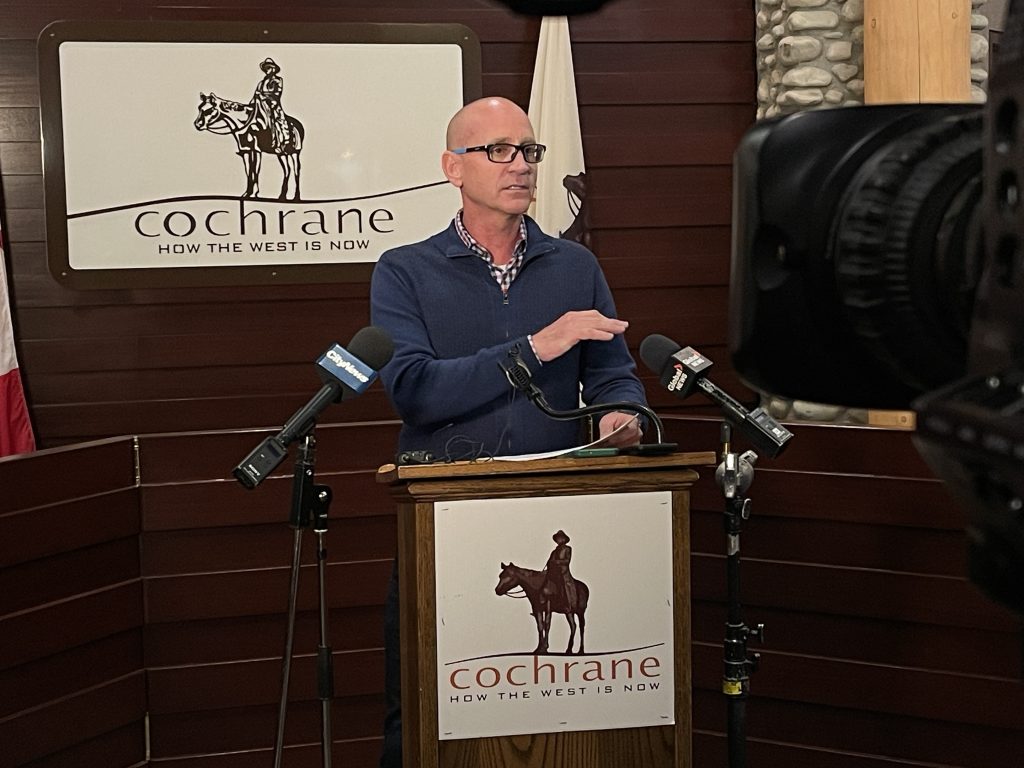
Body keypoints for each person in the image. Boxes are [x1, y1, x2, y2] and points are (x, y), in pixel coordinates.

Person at [369, 96, 647, 768]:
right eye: (498, 150)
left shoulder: (574, 266)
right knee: (426, 714)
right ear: (452, 168)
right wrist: (538, 347)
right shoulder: (404, 270)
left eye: (528, 151)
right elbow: (416, 391)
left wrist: (621, 414)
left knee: (566, 710)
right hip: (445, 521)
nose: (519, 165)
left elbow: (614, 372)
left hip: (560, 508)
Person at [252, 57, 290, 152]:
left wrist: (268, 99)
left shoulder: (278, 80)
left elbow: (277, 93)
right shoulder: (261, 83)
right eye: (266, 68)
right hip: (260, 104)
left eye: (269, 68)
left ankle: (280, 141)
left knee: (276, 120)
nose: (267, 70)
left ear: (273, 69)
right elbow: (256, 94)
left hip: (272, 104)